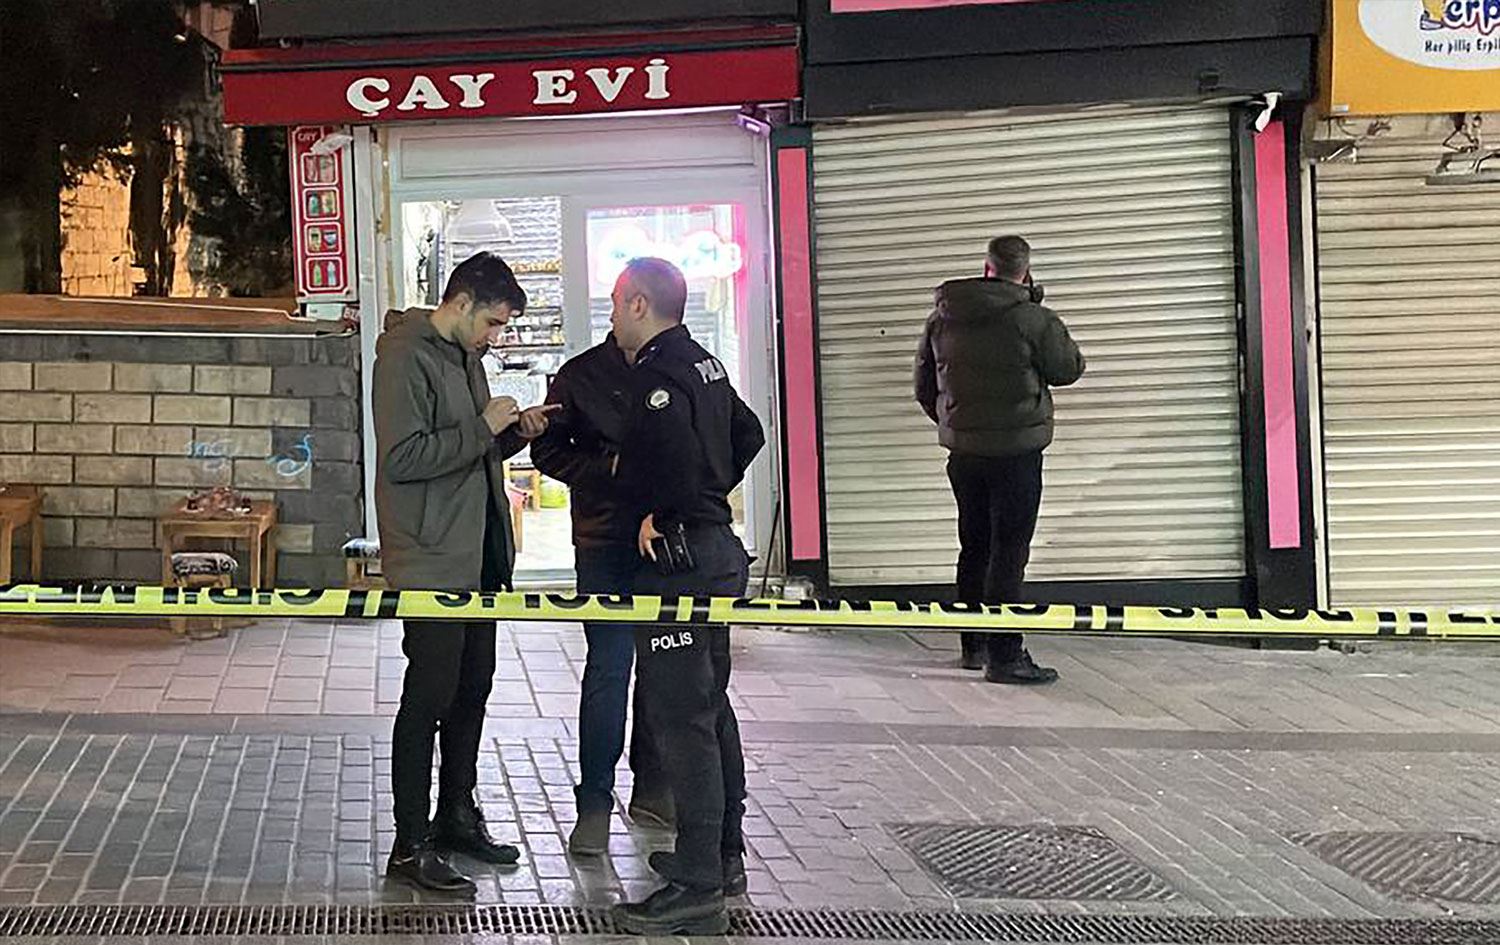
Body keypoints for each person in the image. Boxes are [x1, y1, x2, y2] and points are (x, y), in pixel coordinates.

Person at [372, 251, 558, 894]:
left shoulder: (466, 357)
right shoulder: (404, 356)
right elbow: (404, 459)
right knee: (428, 696)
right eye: (493, 322)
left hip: (477, 554)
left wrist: (514, 435)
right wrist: (483, 426)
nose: (495, 337)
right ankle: (409, 842)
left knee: (472, 689)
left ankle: (455, 814)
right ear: (460, 303)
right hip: (430, 556)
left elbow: (469, 452)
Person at [606, 258, 765, 936]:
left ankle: (698, 883)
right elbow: (749, 433)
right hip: (717, 551)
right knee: (709, 705)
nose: (613, 317)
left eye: (617, 304)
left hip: (680, 564)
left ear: (640, 304)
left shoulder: (657, 377)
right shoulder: (706, 364)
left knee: (682, 720)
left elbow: (669, 458)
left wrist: (668, 512)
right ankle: (722, 854)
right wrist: (709, 497)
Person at [914, 235, 1085, 685]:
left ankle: (973, 645)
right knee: (1009, 552)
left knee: (974, 546)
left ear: (987, 268)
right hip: (1018, 454)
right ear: (1023, 273)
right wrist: (1036, 307)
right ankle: (1005, 655)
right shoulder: (1034, 319)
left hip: (964, 455)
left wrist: (956, 424)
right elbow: (1068, 369)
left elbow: (924, 387)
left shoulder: (942, 318)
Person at [529, 332, 673, 856]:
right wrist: (604, 471)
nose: (614, 314)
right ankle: (594, 803)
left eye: (619, 303)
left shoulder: (680, 365)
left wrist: (695, 500)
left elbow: (738, 434)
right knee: (609, 669)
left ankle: (653, 789)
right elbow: (546, 450)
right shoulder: (582, 374)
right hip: (604, 542)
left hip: (666, 542)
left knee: (662, 668)